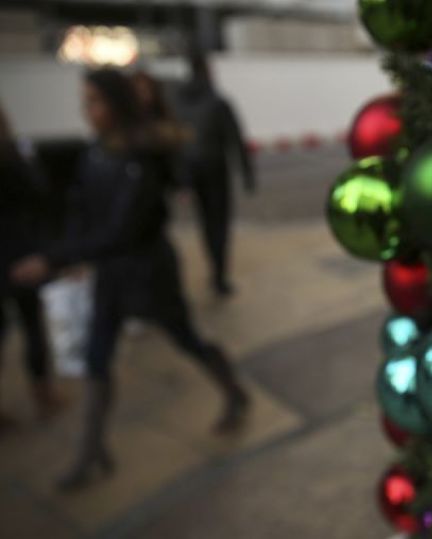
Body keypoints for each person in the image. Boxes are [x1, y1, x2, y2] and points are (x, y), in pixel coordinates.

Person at [11, 69, 249, 490]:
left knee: (186, 339)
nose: (87, 111)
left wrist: (54, 259)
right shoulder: (97, 152)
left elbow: (122, 227)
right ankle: (91, 452)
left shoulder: (141, 154)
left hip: (149, 272)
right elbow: (82, 210)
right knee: (98, 360)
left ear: (117, 104)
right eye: (86, 102)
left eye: (95, 102)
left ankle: (232, 391)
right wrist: (66, 253)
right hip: (111, 274)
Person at [0, 105, 63, 426]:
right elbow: (39, 193)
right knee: (31, 324)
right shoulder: (12, 158)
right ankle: (42, 392)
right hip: (17, 254)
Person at [175, 51, 255, 296]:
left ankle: (214, 267)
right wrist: (247, 174)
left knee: (206, 224)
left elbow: (177, 143)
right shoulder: (217, 102)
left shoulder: (180, 103)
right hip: (215, 171)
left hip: (193, 171)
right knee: (219, 223)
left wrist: (182, 179)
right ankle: (219, 276)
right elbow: (235, 140)